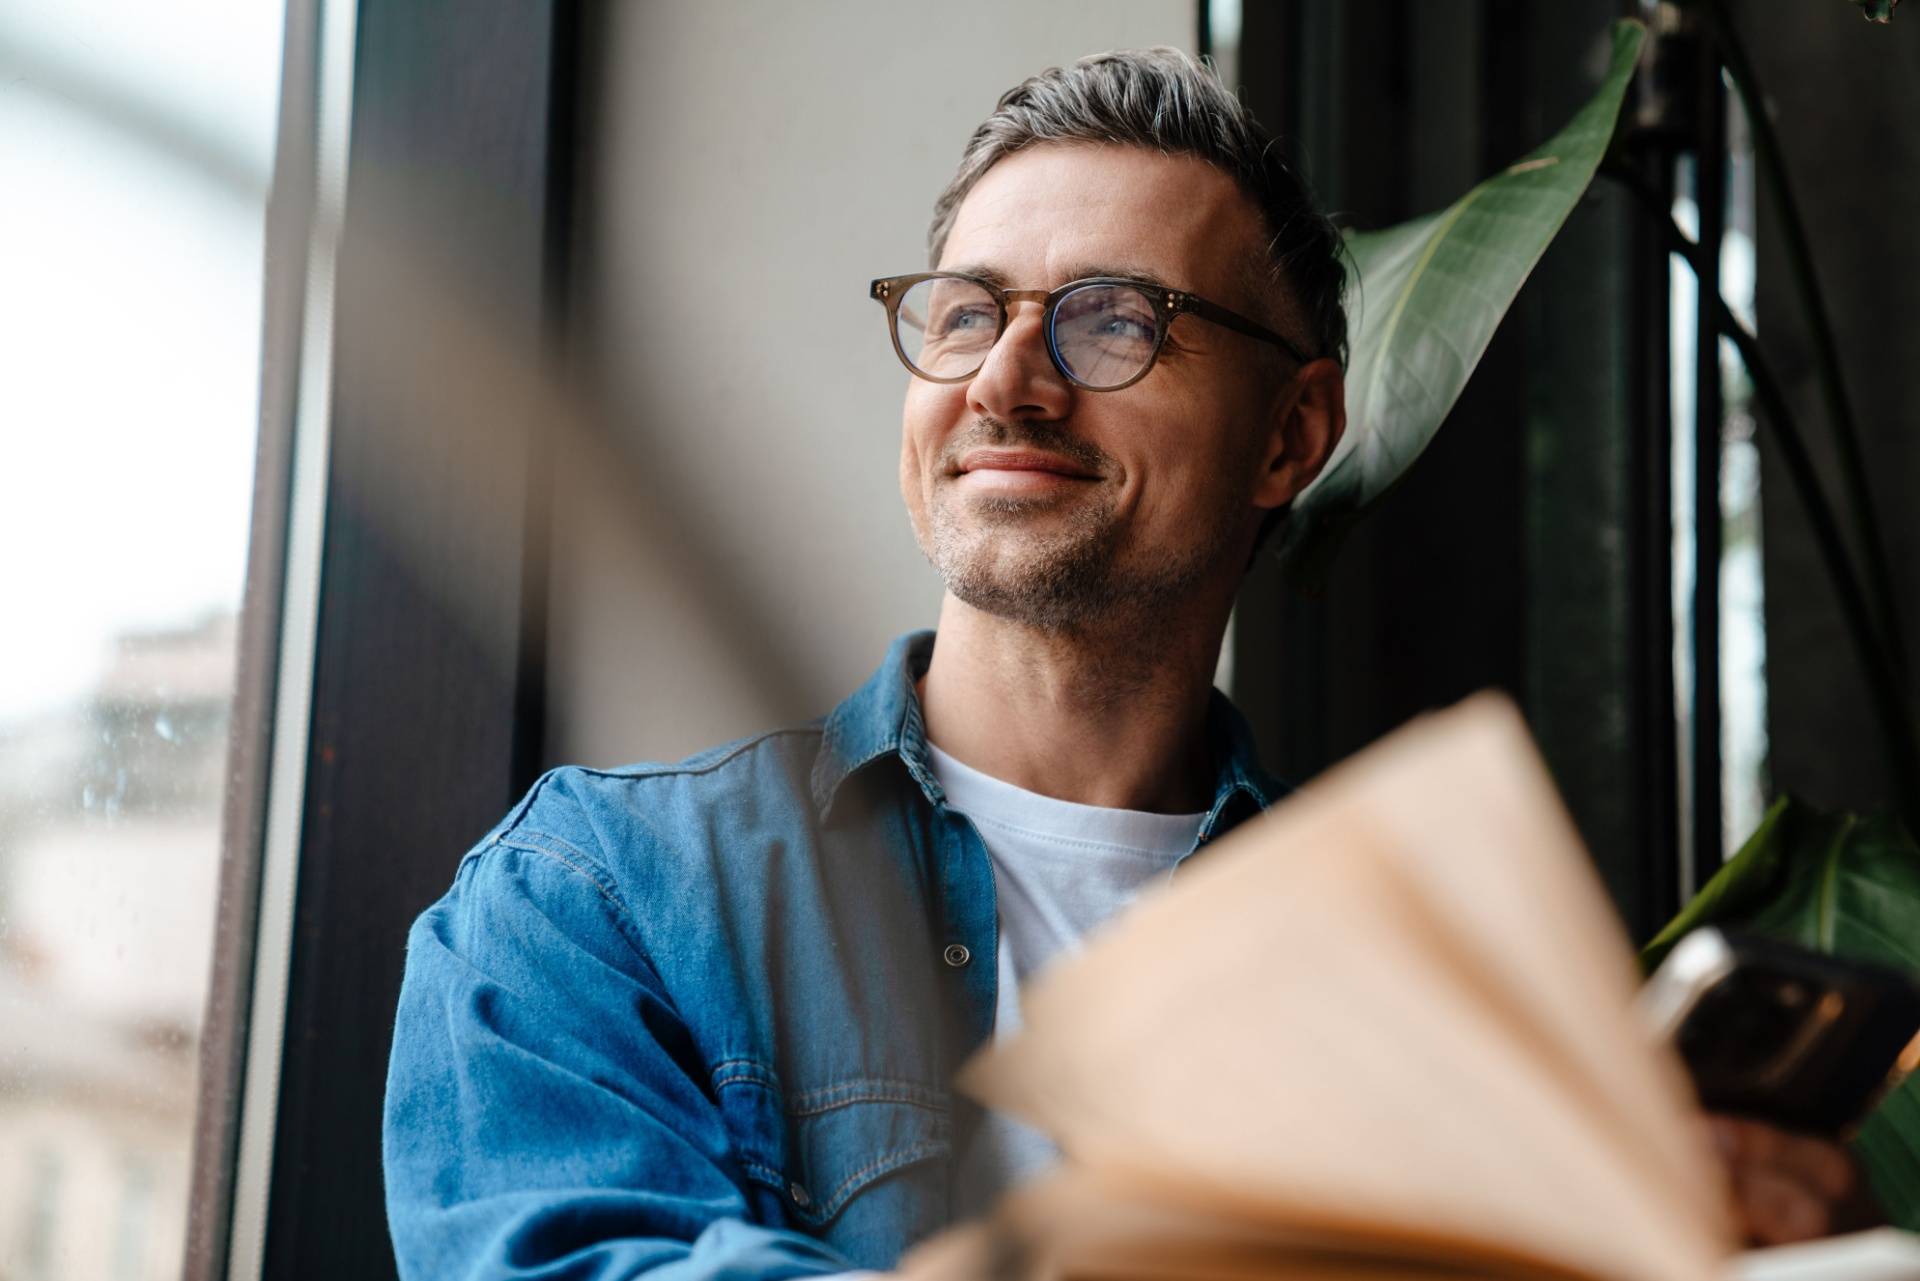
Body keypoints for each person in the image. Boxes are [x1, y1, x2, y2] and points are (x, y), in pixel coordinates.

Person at [382, 47, 1869, 1281]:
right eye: (966, 312)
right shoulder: (595, 894)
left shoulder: (1435, 979)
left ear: (1291, 434)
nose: (1005, 381)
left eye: (1114, 322)